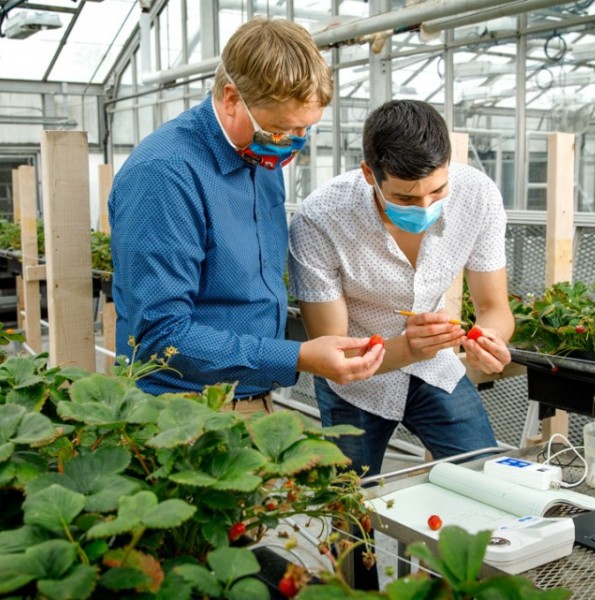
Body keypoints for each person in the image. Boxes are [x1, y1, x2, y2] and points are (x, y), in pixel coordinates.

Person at [108, 17, 385, 411]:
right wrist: (298, 356)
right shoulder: (165, 174)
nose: (291, 146)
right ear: (231, 97)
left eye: (304, 131)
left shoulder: (261, 162)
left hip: (251, 396)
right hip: (181, 410)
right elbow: (160, 336)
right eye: (279, 130)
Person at [289, 98, 514, 476]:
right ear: (368, 174)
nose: (425, 207)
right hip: (355, 386)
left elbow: (494, 307)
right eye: (405, 198)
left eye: (438, 191)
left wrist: (489, 339)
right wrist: (408, 346)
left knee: (485, 476)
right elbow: (334, 352)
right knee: (349, 511)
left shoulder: (479, 196)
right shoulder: (320, 220)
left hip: (434, 367)